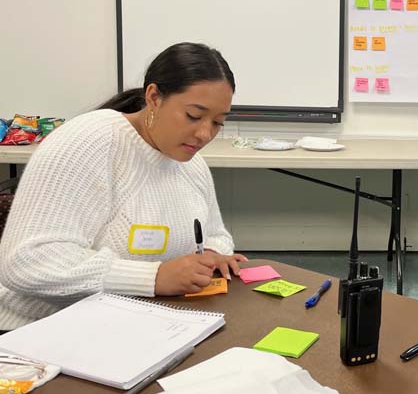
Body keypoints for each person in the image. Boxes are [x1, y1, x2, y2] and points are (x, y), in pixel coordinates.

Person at [0, 42, 248, 330]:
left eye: (218, 123)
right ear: (154, 97)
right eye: (193, 116)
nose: (205, 134)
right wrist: (153, 277)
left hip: (137, 324)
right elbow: (26, 263)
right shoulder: (89, 141)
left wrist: (213, 256)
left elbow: (214, 234)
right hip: (41, 330)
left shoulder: (190, 163)